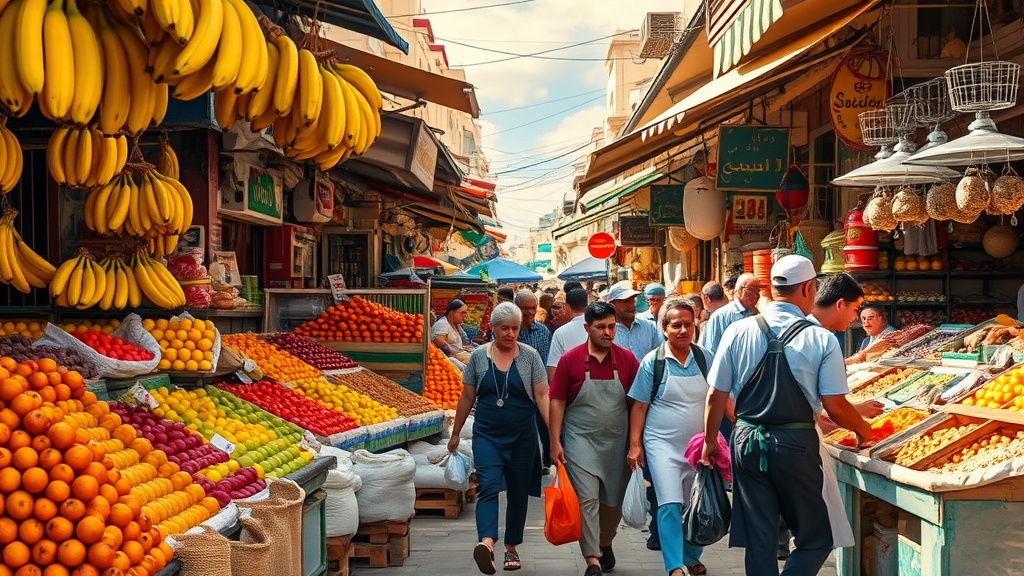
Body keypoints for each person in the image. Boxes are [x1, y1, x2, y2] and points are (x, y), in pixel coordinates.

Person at [701, 255, 873, 576]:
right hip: (795, 445)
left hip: (746, 442)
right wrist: (863, 429)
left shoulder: (737, 331)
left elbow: (715, 395)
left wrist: (711, 442)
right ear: (808, 288)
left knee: (760, 540)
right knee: (817, 537)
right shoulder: (820, 338)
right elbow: (835, 405)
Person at [448, 302, 550, 575]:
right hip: (487, 434)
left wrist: (555, 435)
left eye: (515, 328)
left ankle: (511, 547)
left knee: (518, 491)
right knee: (488, 487)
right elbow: (467, 396)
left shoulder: (530, 357)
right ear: (493, 328)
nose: (510, 333)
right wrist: (456, 433)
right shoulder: (479, 357)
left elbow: (542, 395)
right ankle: (488, 543)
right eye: (505, 328)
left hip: (523, 437)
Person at [550, 302, 640, 576]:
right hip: (580, 441)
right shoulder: (571, 360)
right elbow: (557, 401)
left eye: (611, 326)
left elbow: (637, 404)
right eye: (601, 327)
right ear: (587, 328)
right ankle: (592, 559)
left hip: (617, 442)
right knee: (587, 498)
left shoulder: (626, 360)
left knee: (613, 503)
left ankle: (605, 541)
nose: (608, 332)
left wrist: (636, 443)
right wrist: (555, 442)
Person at [627, 299, 711, 576]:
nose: (684, 330)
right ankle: (674, 565)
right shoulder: (653, 362)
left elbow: (720, 399)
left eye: (689, 324)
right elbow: (639, 406)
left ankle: (690, 554)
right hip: (661, 445)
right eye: (677, 325)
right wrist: (635, 445)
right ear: (664, 329)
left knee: (695, 504)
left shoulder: (705, 358)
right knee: (669, 503)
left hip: (698, 447)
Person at [514, 290, 553, 473]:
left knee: (544, 424)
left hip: (541, 387)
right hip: (518, 389)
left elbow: (548, 359)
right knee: (523, 427)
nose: (529, 312)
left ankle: (545, 461)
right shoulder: (510, 332)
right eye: (525, 308)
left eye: (532, 308)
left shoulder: (543, 331)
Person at [698, 273, 761, 351]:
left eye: (758, 292)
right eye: (753, 291)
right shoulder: (721, 316)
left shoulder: (757, 315)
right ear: (740, 290)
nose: (757, 296)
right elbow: (712, 350)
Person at [607, 283, 663, 363]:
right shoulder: (607, 331)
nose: (631, 305)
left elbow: (660, 356)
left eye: (632, 300)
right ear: (612, 306)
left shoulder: (650, 327)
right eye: (626, 301)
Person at [546, 288, 591, 380]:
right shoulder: (599, 327)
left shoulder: (560, 333)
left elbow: (552, 371)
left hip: (571, 388)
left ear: (566, 307)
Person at [432, 299, 476, 366]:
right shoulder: (442, 324)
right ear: (452, 313)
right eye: (462, 312)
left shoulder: (457, 325)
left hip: (460, 358)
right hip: (447, 362)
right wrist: (453, 354)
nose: (465, 315)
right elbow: (440, 342)